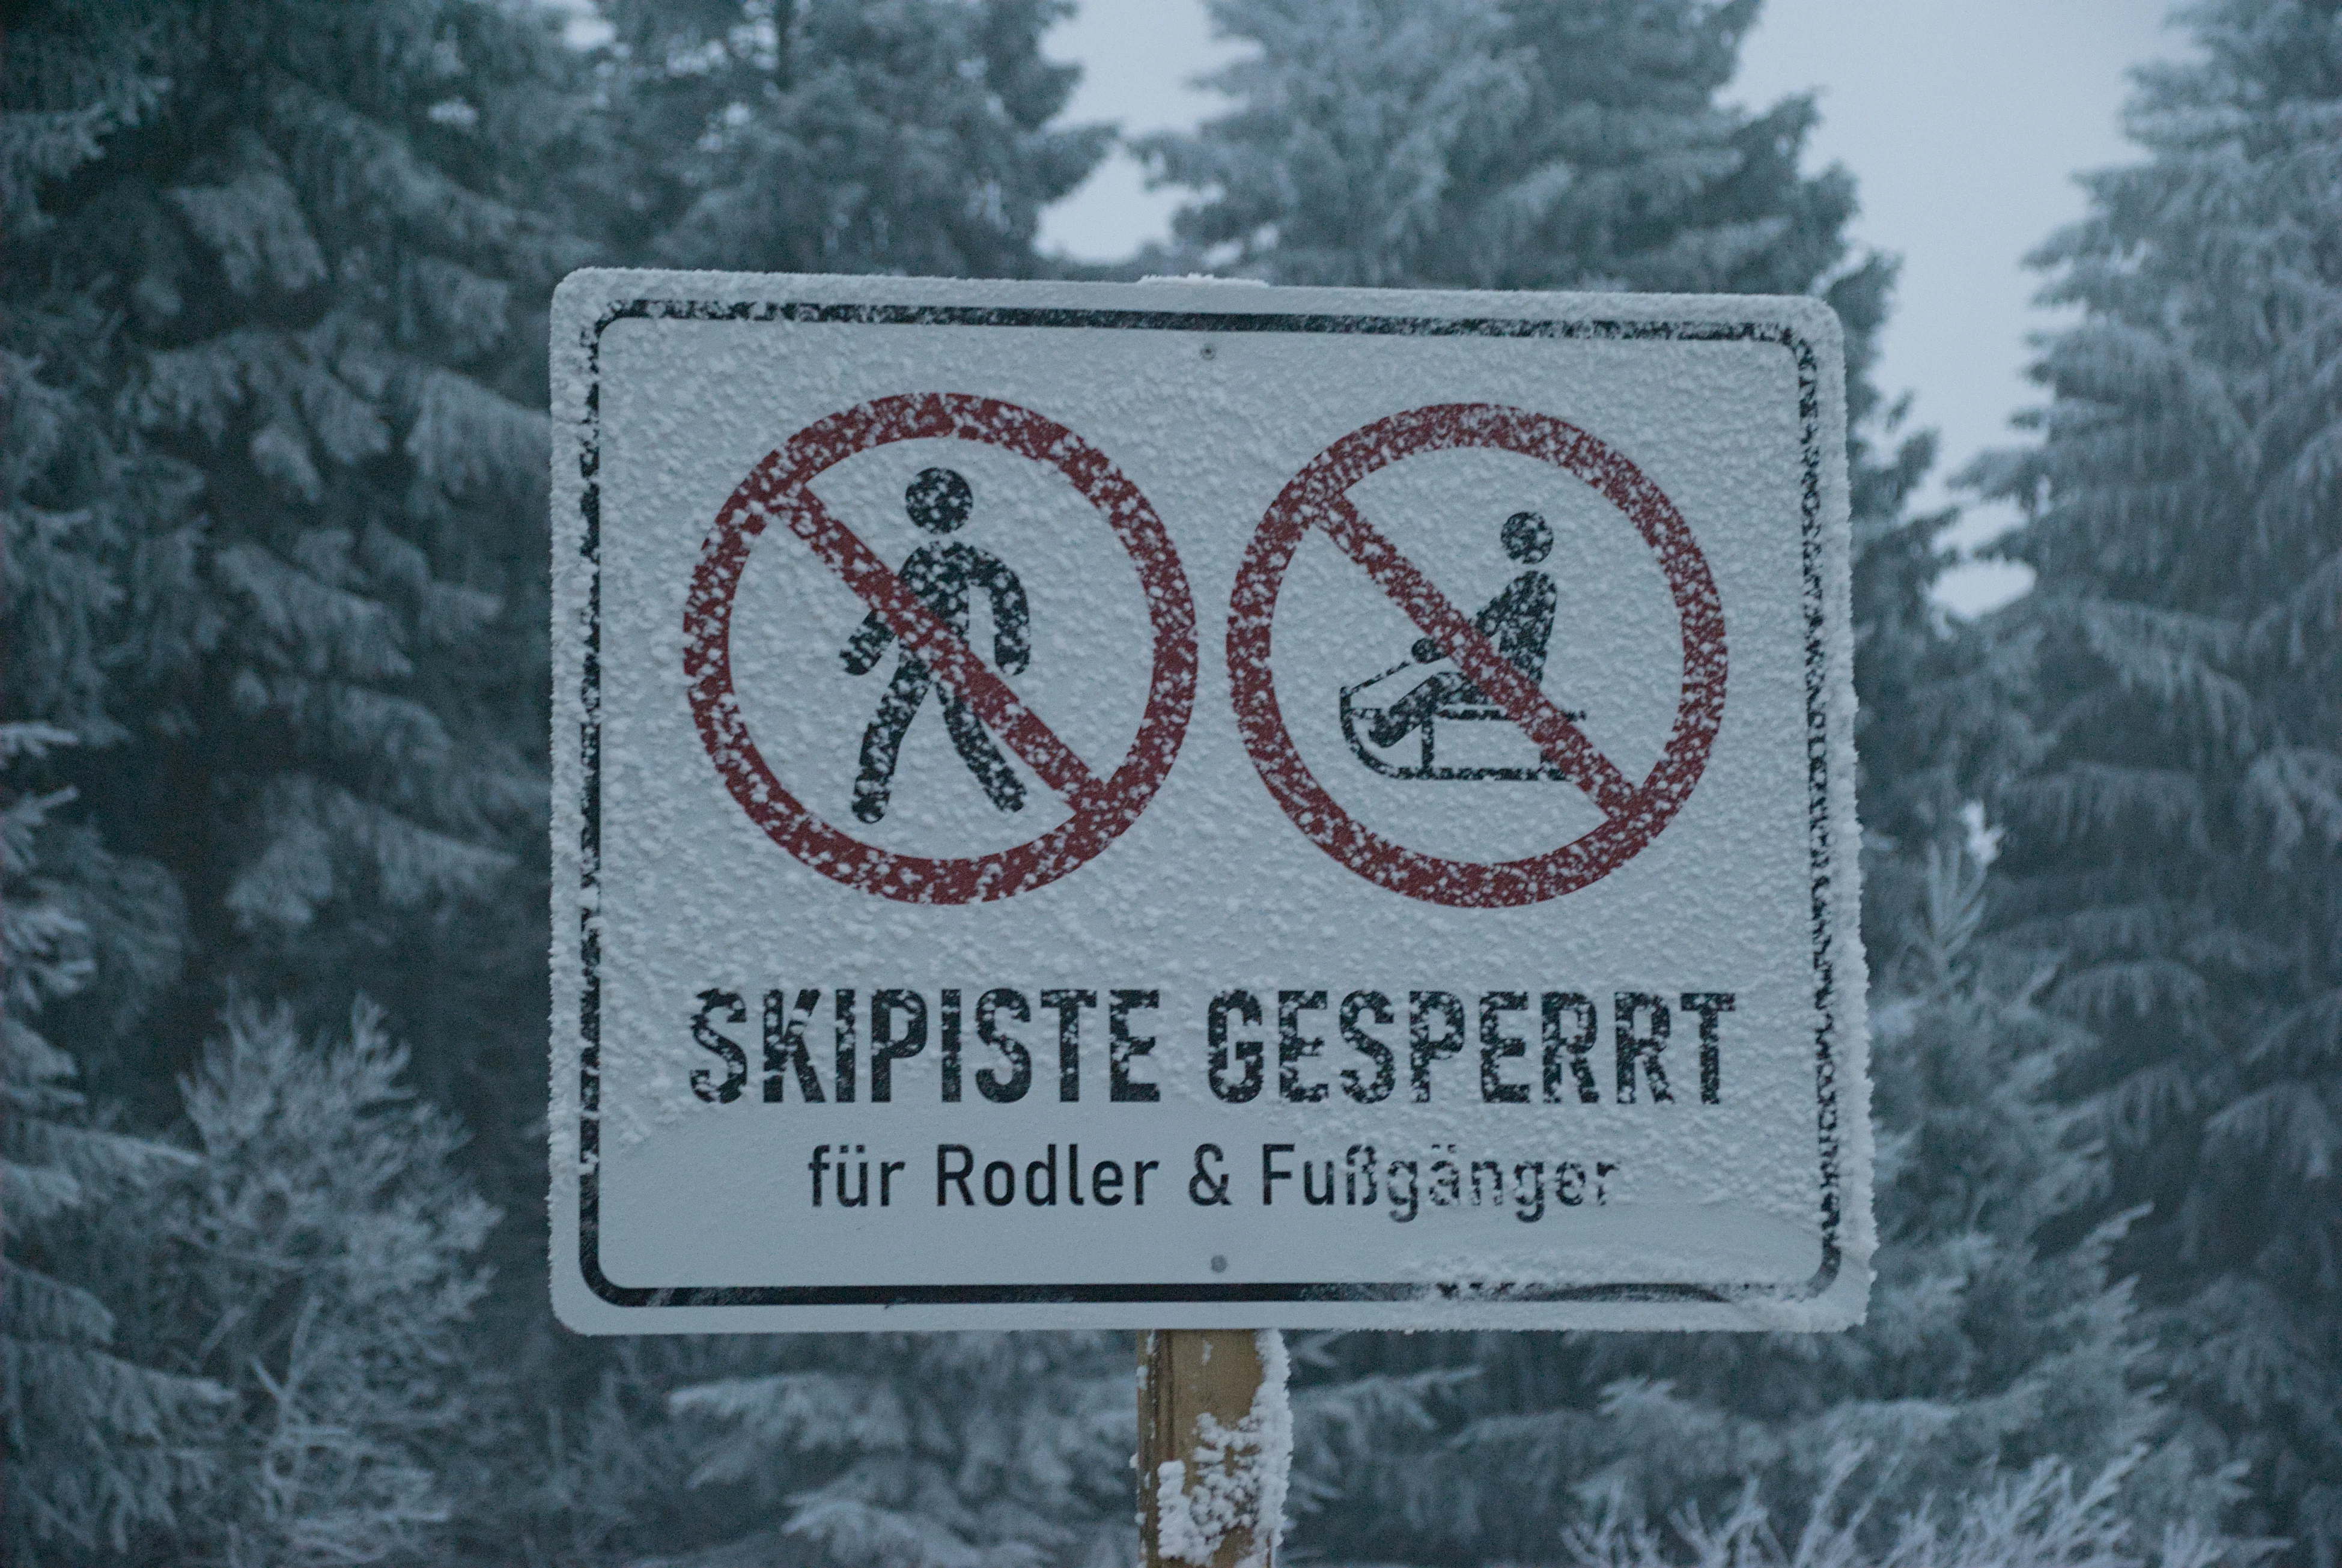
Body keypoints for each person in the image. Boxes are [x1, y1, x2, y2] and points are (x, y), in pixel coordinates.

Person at [840, 467, 1030, 824]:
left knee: (902, 727)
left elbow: (889, 607)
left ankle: (872, 795)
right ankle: (1008, 793)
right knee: (947, 728)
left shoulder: (936, 561)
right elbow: (891, 606)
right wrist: (1012, 645)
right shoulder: (941, 560)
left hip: (942, 660)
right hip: (934, 660)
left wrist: (864, 651)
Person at [1366, 511, 1556, 748]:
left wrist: (1435, 649)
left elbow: (1482, 627)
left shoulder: (1528, 587)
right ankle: (1388, 725)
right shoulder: (1535, 585)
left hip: (1513, 685)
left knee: (1440, 686)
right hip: (1511, 681)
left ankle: (1384, 732)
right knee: (1442, 684)